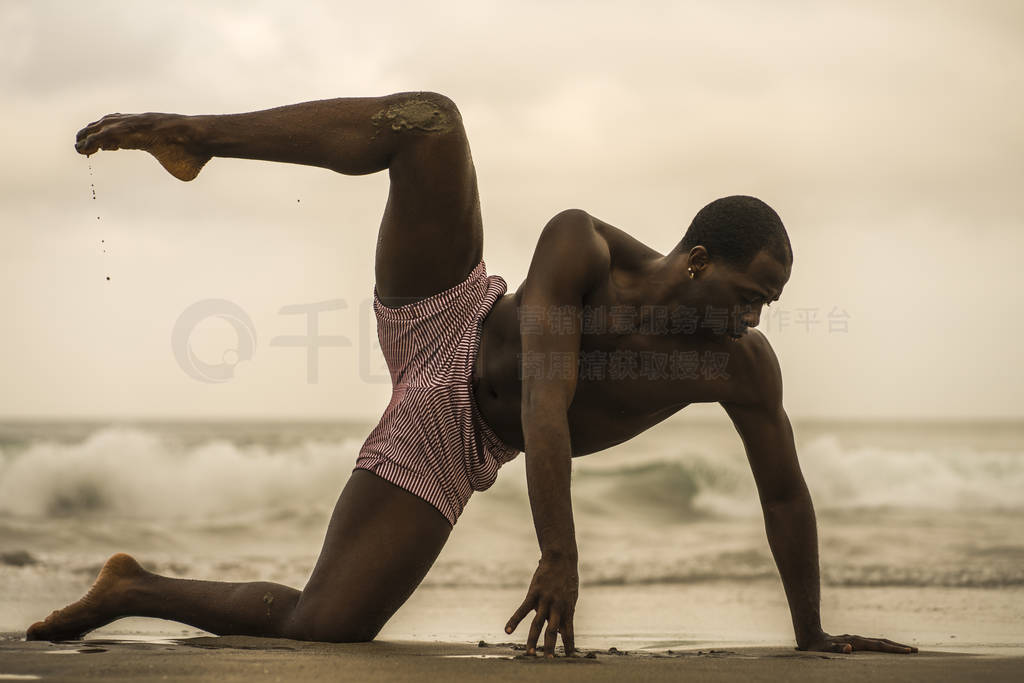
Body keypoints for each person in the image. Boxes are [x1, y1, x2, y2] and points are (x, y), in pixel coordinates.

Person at [29, 92, 917, 657]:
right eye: (748, 292)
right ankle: (198, 134)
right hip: (446, 311)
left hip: (455, 436)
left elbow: (786, 497)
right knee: (432, 125)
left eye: (769, 305)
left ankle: (131, 587)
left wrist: (812, 634)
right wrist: (559, 557)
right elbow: (549, 400)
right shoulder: (584, 246)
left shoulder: (740, 368)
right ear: (694, 259)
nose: (754, 317)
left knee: (324, 627)